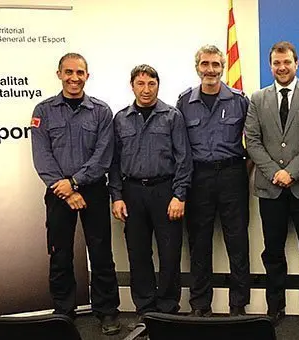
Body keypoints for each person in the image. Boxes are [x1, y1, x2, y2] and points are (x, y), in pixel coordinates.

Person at [30, 52, 121, 335]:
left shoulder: (101, 111)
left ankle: (107, 312)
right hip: (58, 193)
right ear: (59, 74)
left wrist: (76, 183)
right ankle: (63, 312)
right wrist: (66, 190)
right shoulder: (42, 111)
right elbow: (42, 157)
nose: (74, 77)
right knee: (60, 253)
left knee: (101, 252)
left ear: (87, 76)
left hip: (92, 191)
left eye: (79, 72)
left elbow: (103, 156)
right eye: (68, 72)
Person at [245, 41, 299, 327]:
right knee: (273, 251)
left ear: (297, 63)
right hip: (270, 188)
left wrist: (290, 172)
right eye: (277, 63)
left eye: (287, 63)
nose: (282, 68)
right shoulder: (257, 98)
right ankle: (274, 308)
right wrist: (274, 172)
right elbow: (252, 141)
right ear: (271, 66)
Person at [108, 64, 192, 325]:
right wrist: (117, 196)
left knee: (169, 252)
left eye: (151, 84)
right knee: (138, 253)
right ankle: (145, 309)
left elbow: (184, 159)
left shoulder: (172, 116)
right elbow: (113, 161)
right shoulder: (120, 118)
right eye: (140, 84)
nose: (146, 89)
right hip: (132, 191)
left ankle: (167, 309)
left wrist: (179, 195)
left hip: (165, 191)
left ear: (158, 85)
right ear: (132, 86)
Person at [177, 45, 250, 317]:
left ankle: (238, 305)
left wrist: (242, 172)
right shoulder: (184, 101)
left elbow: (252, 142)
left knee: (238, 242)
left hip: (232, 175)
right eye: (205, 64)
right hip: (199, 177)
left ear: (223, 67)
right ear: (197, 67)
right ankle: (200, 305)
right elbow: (180, 146)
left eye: (216, 65)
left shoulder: (240, 100)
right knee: (199, 243)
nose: (210, 70)